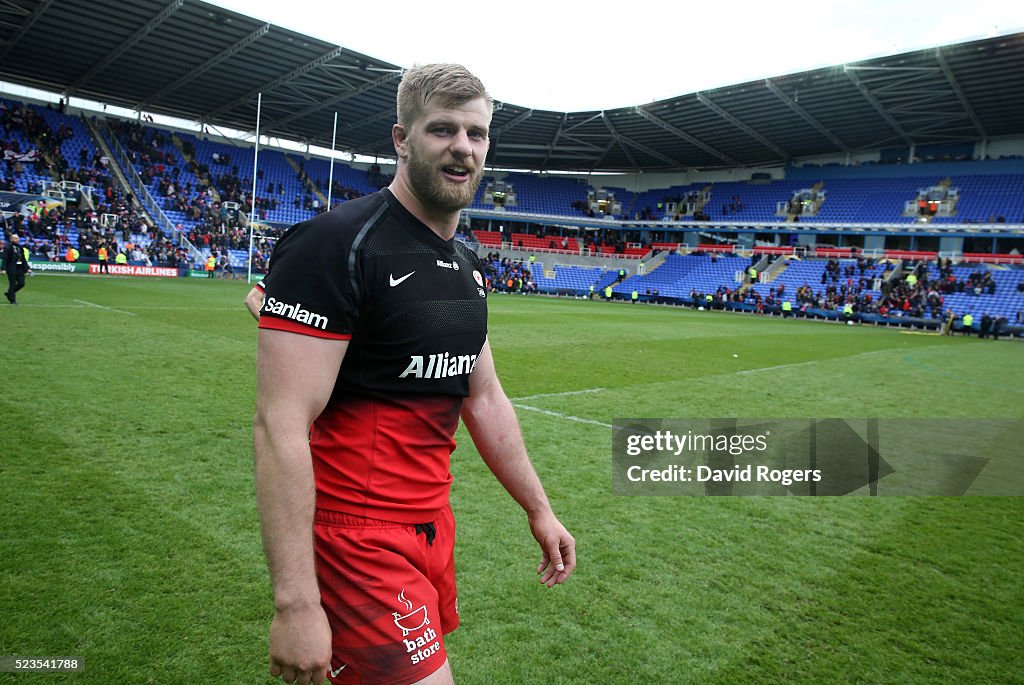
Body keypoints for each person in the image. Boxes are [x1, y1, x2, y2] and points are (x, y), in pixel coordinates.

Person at [252, 64, 575, 685]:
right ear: (401, 139)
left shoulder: (465, 260)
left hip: (430, 526)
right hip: (357, 538)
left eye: (477, 134)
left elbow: (483, 395)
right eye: (443, 129)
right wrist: (296, 603)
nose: (463, 146)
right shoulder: (336, 243)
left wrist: (539, 509)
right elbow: (279, 425)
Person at [3, 233, 30, 304]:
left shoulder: (19, 247)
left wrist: (27, 268)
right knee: (12, 284)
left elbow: (23, 259)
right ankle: (12, 300)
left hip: (19, 268)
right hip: (11, 268)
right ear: (11, 239)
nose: (17, 240)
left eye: (18, 238)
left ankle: (9, 293)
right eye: (15, 238)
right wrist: (3, 269)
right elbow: (5, 259)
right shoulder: (8, 247)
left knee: (21, 283)